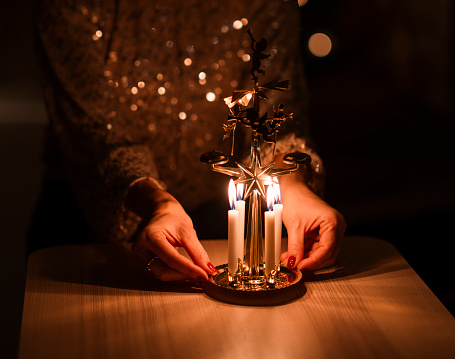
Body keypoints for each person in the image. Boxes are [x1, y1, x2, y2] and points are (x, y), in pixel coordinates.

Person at [30, 0, 346, 281]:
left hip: (213, 225)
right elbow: (93, 132)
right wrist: (157, 204)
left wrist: (293, 188)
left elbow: (276, 116)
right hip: (90, 226)